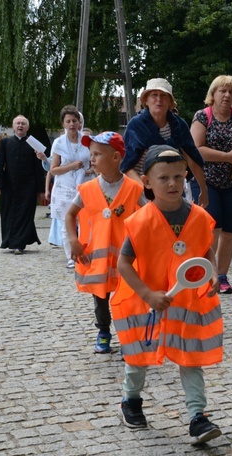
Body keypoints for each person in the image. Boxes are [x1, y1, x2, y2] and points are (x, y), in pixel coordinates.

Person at [110, 145, 223, 445]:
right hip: (145, 305)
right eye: (163, 178)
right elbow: (123, 263)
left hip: (186, 304)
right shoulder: (140, 221)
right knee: (139, 358)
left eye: (178, 176)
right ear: (147, 182)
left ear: (186, 176)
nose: (172, 184)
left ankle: (198, 417)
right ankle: (130, 401)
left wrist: (213, 272)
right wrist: (147, 294)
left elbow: (205, 249)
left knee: (191, 358)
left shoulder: (198, 216)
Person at [64, 132, 143, 354]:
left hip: (125, 258)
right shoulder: (87, 189)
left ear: (116, 157)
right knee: (100, 298)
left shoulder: (133, 189)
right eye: (92, 154)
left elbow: (149, 216)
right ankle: (104, 331)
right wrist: (74, 240)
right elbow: (70, 215)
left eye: (97, 154)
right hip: (97, 259)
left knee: (126, 297)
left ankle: (128, 336)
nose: (93, 159)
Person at [190, 75, 232, 294]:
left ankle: (222, 275)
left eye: (230, 92)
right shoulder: (202, 116)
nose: (227, 95)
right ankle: (206, 273)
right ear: (213, 94)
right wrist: (227, 157)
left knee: (229, 230)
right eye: (222, 91)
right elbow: (196, 150)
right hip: (206, 182)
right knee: (212, 227)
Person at [119, 78, 208, 208]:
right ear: (146, 101)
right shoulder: (136, 125)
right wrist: (145, 192)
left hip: (172, 190)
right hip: (141, 191)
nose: (159, 100)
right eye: (154, 95)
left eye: (163, 96)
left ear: (170, 103)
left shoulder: (179, 126)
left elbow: (192, 158)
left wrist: (204, 190)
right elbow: (127, 166)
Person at [0, 115, 45, 254]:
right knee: (8, 213)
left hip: (28, 186)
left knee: (25, 214)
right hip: (9, 185)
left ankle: (19, 244)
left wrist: (41, 190)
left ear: (27, 127)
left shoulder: (34, 143)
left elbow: (39, 168)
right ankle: (10, 241)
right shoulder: (5, 142)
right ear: (13, 126)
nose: (20, 126)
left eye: (23, 123)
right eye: (17, 123)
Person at [49, 105, 94, 268]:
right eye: (68, 121)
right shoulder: (59, 143)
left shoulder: (87, 141)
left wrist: (89, 170)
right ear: (63, 124)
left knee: (85, 221)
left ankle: (85, 252)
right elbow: (53, 169)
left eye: (74, 121)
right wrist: (72, 166)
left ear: (79, 122)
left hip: (85, 183)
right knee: (67, 221)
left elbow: (95, 161)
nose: (72, 124)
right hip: (65, 186)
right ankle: (71, 256)